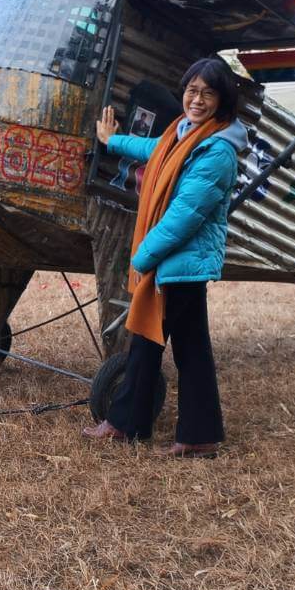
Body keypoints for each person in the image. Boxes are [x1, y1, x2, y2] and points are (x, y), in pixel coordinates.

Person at [83, 57, 248, 457]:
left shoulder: (217, 151)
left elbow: (184, 217)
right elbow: (155, 150)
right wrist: (112, 141)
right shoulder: (185, 133)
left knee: (175, 348)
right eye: (192, 90)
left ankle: (175, 433)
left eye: (208, 93)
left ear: (223, 101)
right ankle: (143, 427)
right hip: (175, 264)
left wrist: (142, 257)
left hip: (182, 264)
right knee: (153, 343)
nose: (198, 99)